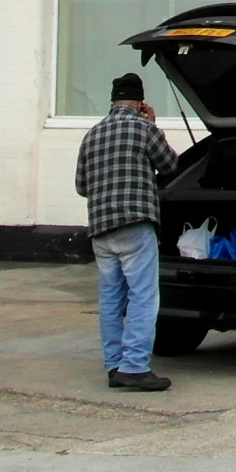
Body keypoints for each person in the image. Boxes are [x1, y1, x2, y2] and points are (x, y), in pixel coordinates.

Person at [76, 71, 180, 391]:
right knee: (143, 297)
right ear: (139, 102)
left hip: (101, 230)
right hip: (135, 226)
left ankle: (114, 366)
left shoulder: (92, 134)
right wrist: (152, 124)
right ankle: (135, 366)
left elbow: (81, 187)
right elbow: (171, 166)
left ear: (113, 100)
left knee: (110, 298)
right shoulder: (142, 128)